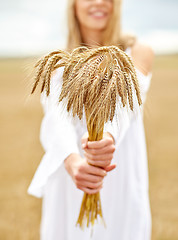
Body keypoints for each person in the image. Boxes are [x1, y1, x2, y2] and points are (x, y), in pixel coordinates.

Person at [28, 0, 154, 239]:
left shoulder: (138, 52)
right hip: (71, 177)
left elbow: (125, 106)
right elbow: (56, 119)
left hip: (118, 173)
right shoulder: (58, 63)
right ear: (73, 5)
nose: (99, 2)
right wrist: (72, 160)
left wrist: (107, 136)